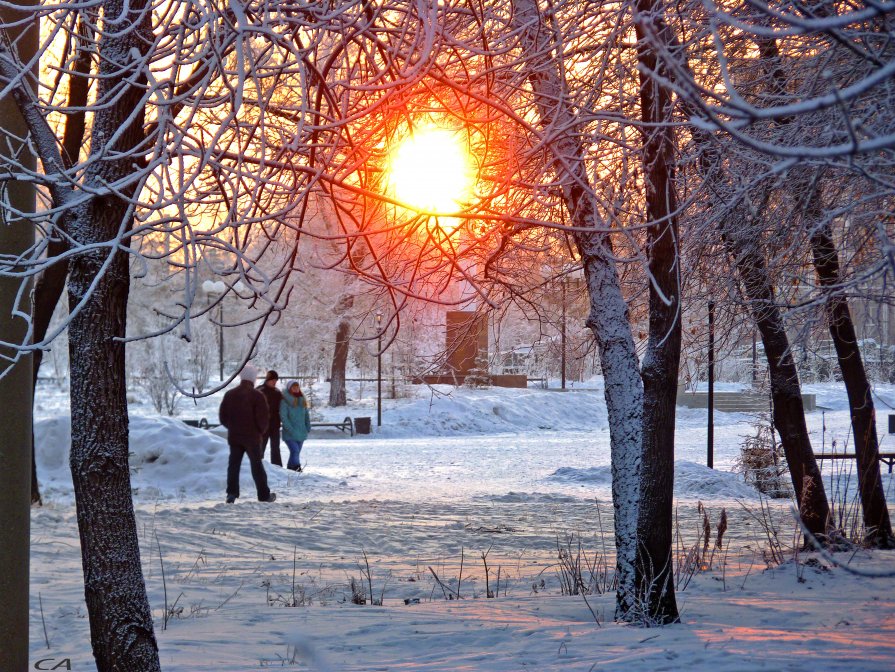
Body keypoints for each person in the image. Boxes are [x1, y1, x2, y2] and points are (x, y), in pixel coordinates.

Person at [218, 364, 277, 503]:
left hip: (235, 437)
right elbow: (263, 418)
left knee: (234, 465)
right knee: (256, 466)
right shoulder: (257, 395)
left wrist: (233, 427)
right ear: (253, 378)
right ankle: (263, 495)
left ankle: (231, 493)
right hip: (252, 438)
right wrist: (259, 432)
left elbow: (223, 417)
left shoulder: (230, 394)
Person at [280, 380, 311, 472]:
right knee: (295, 451)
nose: (296, 389)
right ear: (290, 389)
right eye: (294, 387)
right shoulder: (284, 401)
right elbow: (283, 417)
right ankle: (297, 467)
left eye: (297, 387)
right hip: (290, 433)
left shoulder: (302, 400)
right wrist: (290, 429)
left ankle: (290, 468)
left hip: (301, 432)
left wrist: (308, 426)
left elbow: (306, 415)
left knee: (295, 452)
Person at [258, 369, 284, 467]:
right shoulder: (260, 391)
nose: (274, 382)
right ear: (268, 380)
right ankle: (257, 465)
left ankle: (277, 467)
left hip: (275, 425)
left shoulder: (278, 392)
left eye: (276, 380)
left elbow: (283, 407)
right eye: (273, 380)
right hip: (263, 426)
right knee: (261, 447)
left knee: (275, 448)